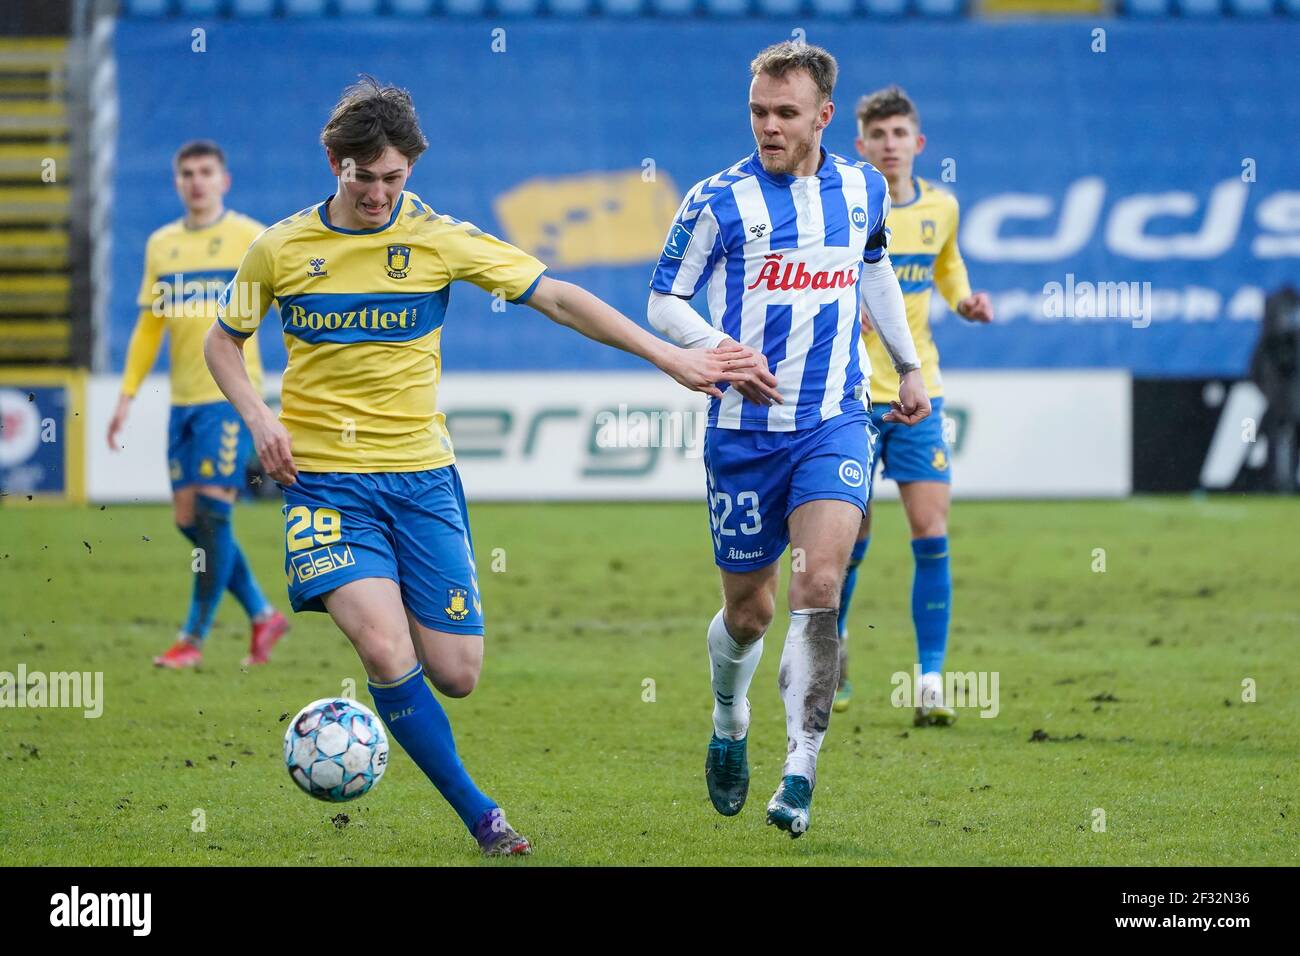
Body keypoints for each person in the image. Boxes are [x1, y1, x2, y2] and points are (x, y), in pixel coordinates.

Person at [205, 77, 768, 856]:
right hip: (324, 483)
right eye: (361, 177)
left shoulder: (440, 239)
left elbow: (560, 298)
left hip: (421, 480)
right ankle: (483, 817)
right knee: (382, 647)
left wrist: (670, 356)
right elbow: (221, 342)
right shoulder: (281, 248)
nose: (376, 193)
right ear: (333, 162)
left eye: (392, 178)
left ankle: (401, 667)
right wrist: (260, 417)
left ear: (412, 169)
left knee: (457, 672)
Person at [647, 44, 929, 838]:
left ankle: (799, 769)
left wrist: (905, 366)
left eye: (785, 114)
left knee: (820, 587)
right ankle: (729, 717)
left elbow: (875, 271)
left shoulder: (863, 187)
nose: (769, 127)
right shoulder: (717, 200)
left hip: (833, 420)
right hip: (743, 435)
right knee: (749, 611)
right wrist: (718, 350)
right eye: (758, 113)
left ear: (824, 117)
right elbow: (664, 300)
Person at [836, 86, 993, 724]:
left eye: (900, 134)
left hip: (917, 389)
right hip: (848, 395)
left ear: (917, 143)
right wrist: (853, 311)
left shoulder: (942, 207)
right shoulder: (844, 206)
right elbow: (819, 277)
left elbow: (946, 266)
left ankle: (930, 681)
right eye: (878, 136)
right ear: (861, 146)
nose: (890, 145)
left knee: (930, 531)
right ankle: (835, 649)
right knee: (849, 538)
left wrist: (965, 301)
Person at [107, 140, 288, 670]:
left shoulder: (249, 238)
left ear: (223, 180)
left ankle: (192, 638)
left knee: (212, 513)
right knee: (190, 520)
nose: (196, 181)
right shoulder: (162, 245)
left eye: (206, 172)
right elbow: (149, 327)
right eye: (186, 173)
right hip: (183, 401)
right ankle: (262, 613)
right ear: (177, 182)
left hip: (228, 396)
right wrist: (126, 395)